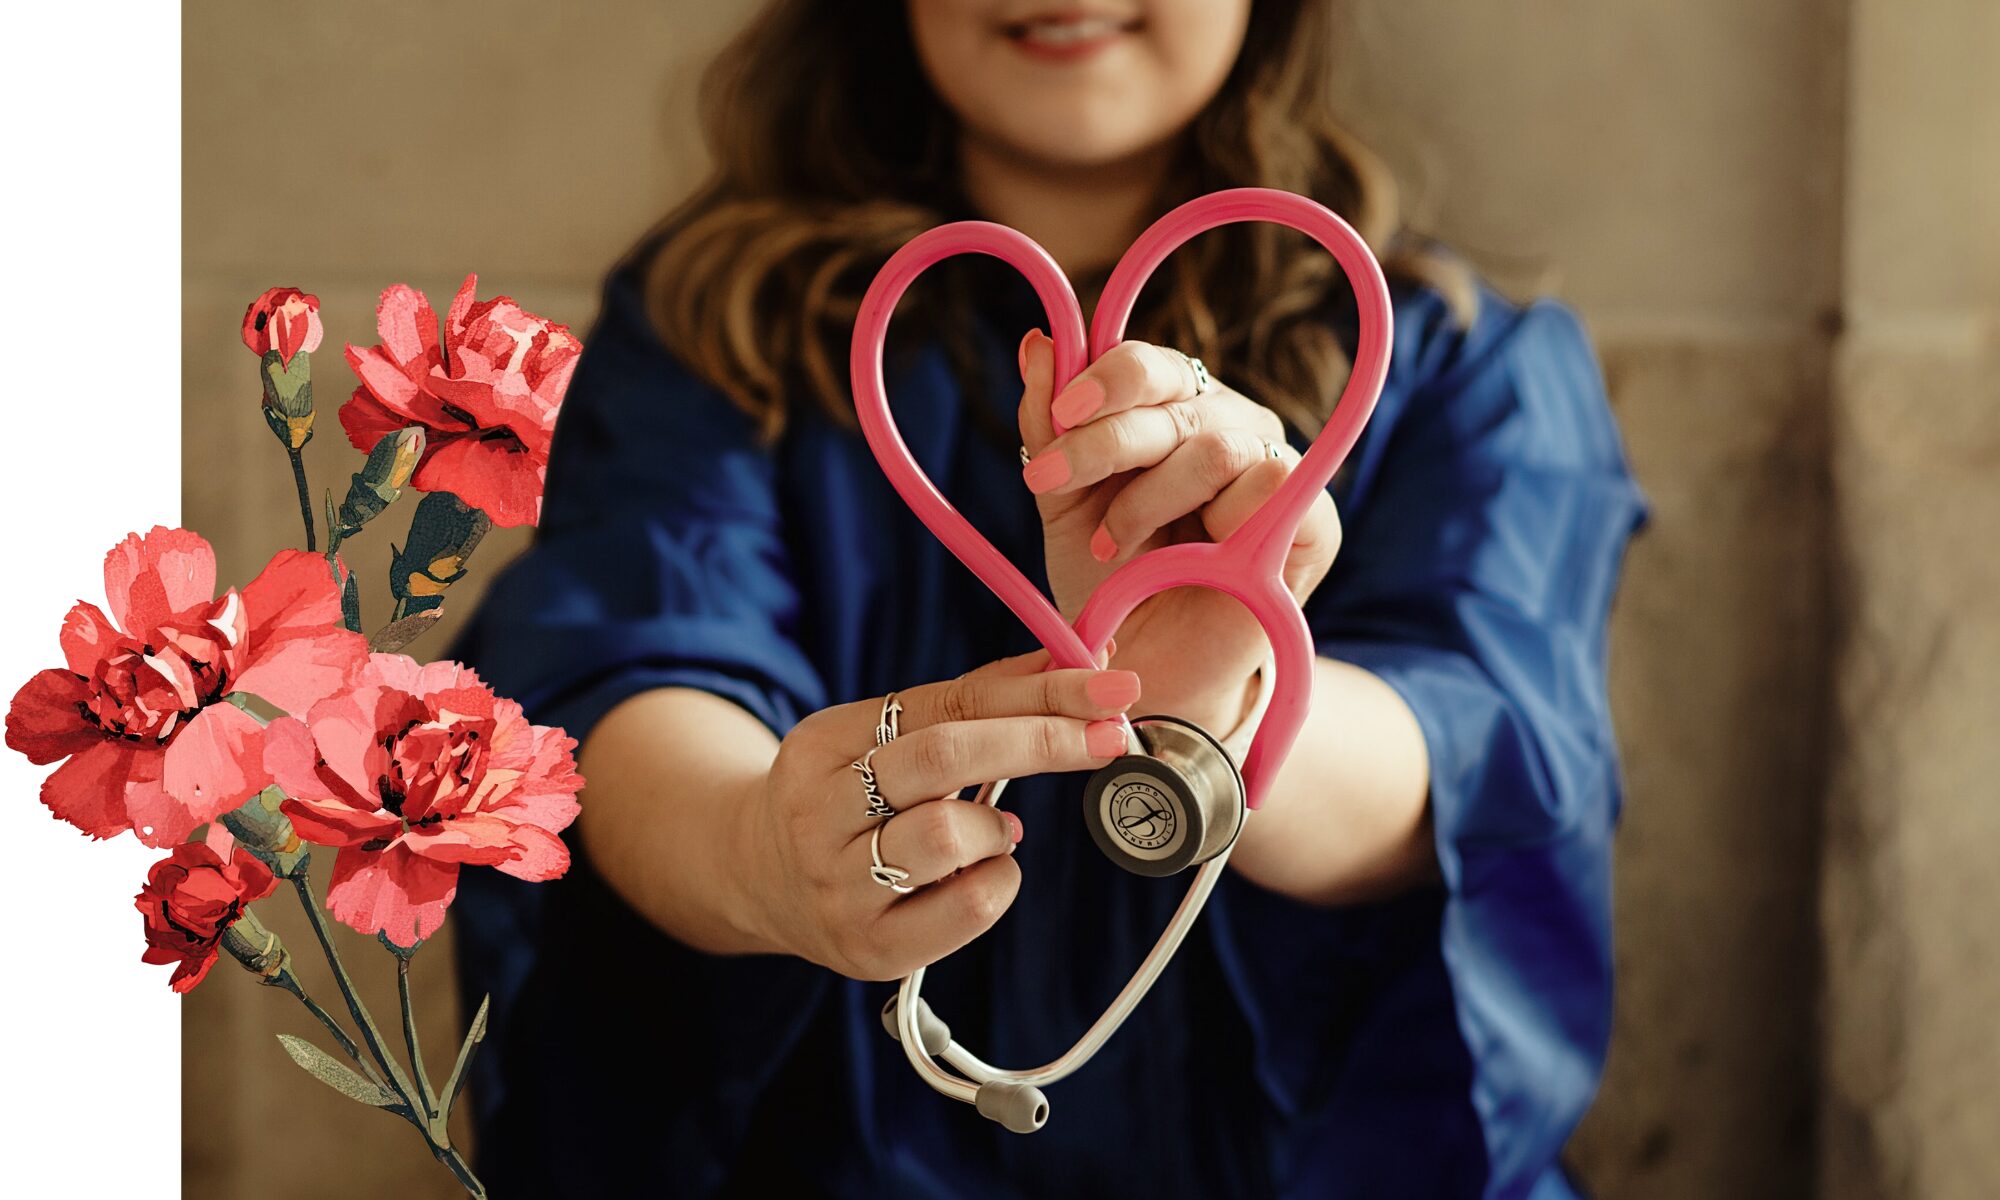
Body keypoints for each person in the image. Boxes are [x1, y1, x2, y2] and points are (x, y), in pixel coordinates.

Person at [451, 2, 1647, 1195]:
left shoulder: (1463, 366)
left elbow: (1479, 743)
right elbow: (623, 674)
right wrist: (756, 851)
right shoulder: (711, 334)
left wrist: (1214, 712)